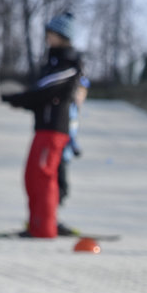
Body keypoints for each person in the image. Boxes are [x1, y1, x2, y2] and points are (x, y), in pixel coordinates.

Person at [1, 12, 84, 238]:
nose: (47, 37)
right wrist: (18, 100)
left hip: (54, 130)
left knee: (44, 177)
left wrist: (17, 98)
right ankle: (37, 224)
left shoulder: (68, 63)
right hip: (43, 128)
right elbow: (39, 95)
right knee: (32, 176)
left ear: (62, 36)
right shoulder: (54, 61)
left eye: (51, 33)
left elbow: (45, 90)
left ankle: (45, 228)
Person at [55, 76, 89, 235]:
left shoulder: (74, 108)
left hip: (65, 155)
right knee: (61, 188)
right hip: (60, 153)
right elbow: (66, 131)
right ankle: (51, 218)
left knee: (61, 188)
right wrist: (73, 146)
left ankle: (52, 217)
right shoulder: (68, 108)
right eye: (78, 93)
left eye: (83, 94)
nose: (80, 97)